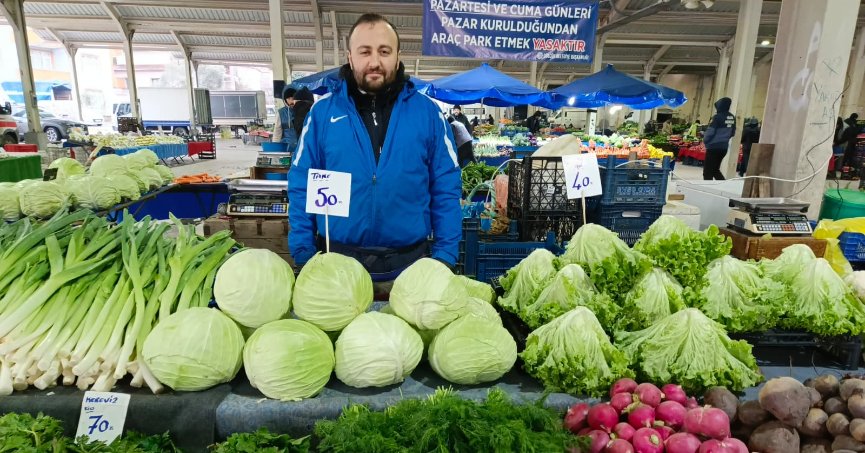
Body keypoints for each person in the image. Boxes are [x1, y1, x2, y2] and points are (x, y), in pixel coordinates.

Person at [288, 13, 461, 286]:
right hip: (336, 268)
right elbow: (301, 183)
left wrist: (445, 256)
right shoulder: (323, 113)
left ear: (398, 55)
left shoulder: (427, 113)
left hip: (410, 269)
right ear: (350, 56)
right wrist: (303, 251)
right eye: (365, 51)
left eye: (384, 51)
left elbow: (446, 186)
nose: (375, 62)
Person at [702, 97, 737, 180]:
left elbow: (710, 132)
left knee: (707, 172)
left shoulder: (717, 117)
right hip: (723, 148)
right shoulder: (732, 117)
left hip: (713, 147)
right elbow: (733, 133)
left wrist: (705, 141)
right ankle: (723, 186)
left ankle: (708, 190)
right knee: (715, 170)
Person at [272, 86, 298, 150]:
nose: (291, 101)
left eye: (293, 98)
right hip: (286, 148)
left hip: (300, 147)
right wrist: (275, 148)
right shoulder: (281, 113)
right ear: (285, 100)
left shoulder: (302, 111)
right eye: (288, 98)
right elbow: (277, 132)